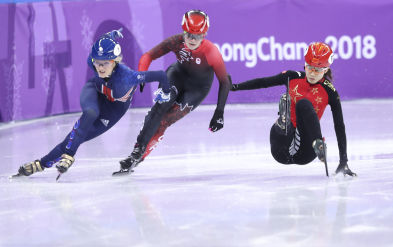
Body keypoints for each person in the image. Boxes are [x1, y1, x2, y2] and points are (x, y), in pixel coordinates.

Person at [13, 29, 175, 178]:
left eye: (105, 63)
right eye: (97, 62)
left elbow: (161, 75)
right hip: (95, 90)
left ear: (115, 61)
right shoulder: (92, 62)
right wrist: (112, 35)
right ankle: (69, 155)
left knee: (72, 138)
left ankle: (40, 165)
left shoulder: (127, 77)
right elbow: (103, 40)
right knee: (89, 113)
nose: (100, 67)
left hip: (113, 109)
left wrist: (166, 93)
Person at [117, 9, 230, 173]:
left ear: (204, 35)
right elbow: (148, 56)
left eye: (197, 36)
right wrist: (141, 73)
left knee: (165, 121)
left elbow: (224, 82)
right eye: (189, 34)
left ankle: (141, 156)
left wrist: (219, 112)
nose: (192, 39)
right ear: (183, 31)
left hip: (197, 89)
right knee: (159, 108)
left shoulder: (210, 51)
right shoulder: (175, 41)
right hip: (177, 75)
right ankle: (137, 151)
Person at [230, 42, 356, 176]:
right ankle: (284, 124)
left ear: (325, 70)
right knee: (286, 100)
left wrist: (343, 161)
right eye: (310, 68)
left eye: (317, 70)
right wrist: (234, 87)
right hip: (281, 148)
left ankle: (317, 144)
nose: (312, 73)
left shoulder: (330, 92)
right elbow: (264, 82)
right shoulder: (292, 77)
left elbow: (339, 125)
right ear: (305, 65)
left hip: (306, 151)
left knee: (303, 104)